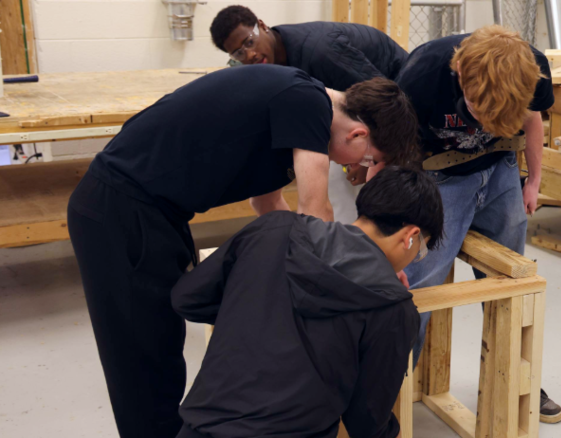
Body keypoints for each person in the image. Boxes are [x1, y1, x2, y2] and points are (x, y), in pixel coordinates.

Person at [66, 67, 421, 438]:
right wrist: (369, 269)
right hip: (120, 209)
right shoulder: (307, 102)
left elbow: (267, 204)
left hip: (156, 214)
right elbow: (316, 211)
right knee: (142, 363)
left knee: (162, 348)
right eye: (366, 160)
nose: (355, 169)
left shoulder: (294, 114)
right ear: (358, 133)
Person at [171, 167, 444, 438]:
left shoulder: (274, 228)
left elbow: (187, 299)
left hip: (199, 427)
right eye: (420, 251)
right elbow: (367, 422)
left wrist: (254, 310)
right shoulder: (393, 309)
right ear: (410, 237)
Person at [395, 25, 561, 425]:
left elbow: (534, 120)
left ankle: (521, 379)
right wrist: (400, 224)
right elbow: (396, 151)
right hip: (439, 177)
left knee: (512, 284)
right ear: (460, 74)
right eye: (474, 107)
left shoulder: (531, 68)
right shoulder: (423, 74)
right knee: (417, 285)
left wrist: (533, 181)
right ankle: (390, 385)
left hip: (500, 168)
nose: (480, 117)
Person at [210, 4, 408, 88]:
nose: (250, 55)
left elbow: (386, 98)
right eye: (239, 53)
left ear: (262, 25)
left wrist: (367, 159)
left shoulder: (320, 52)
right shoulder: (275, 57)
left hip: (407, 91)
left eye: (250, 42)